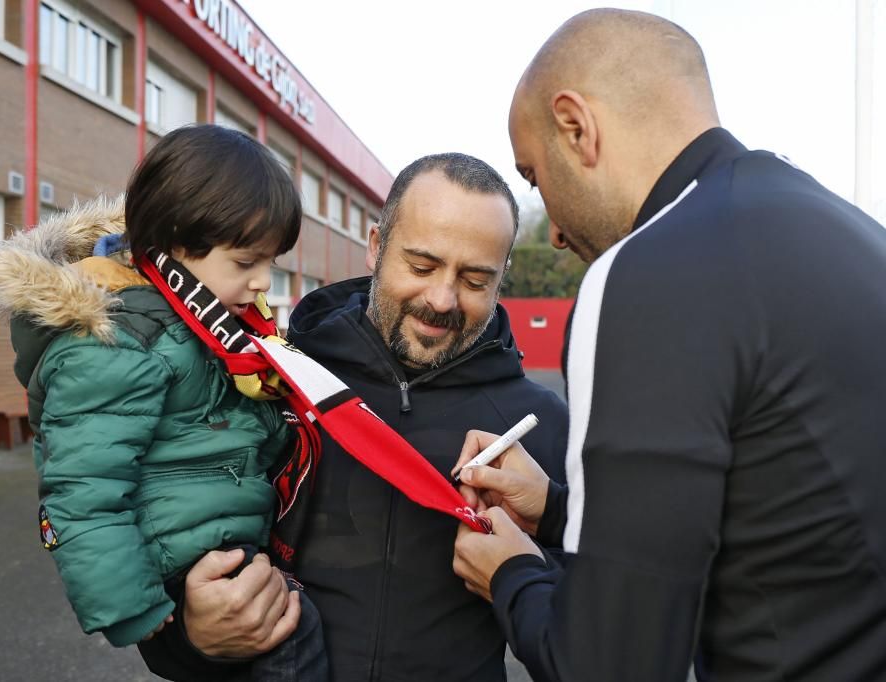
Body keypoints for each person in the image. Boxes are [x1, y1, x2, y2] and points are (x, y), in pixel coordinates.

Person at [451, 8, 886, 682]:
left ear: (576, 126)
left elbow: (609, 664)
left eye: (535, 178)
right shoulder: (856, 236)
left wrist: (511, 574)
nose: (556, 235)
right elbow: (778, 528)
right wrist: (561, 509)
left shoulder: (644, 274)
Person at [139, 153, 570, 681]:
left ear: (503, 276)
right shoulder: (267, 381)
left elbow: (589, 633)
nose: (442, 298)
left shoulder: (540, 423)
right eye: (421, 266)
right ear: (375, 247)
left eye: (475, 280)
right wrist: (194, 634)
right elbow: (164, 546)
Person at [0, 125, 327, 680]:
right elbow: (82, 489)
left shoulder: (204, 323)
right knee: (294, 643)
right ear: (176, 243)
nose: (263, 282)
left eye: (271, 261)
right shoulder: (119, 341)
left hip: (220, 534)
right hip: (182, 557)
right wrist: (131, 606)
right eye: (245, 263)